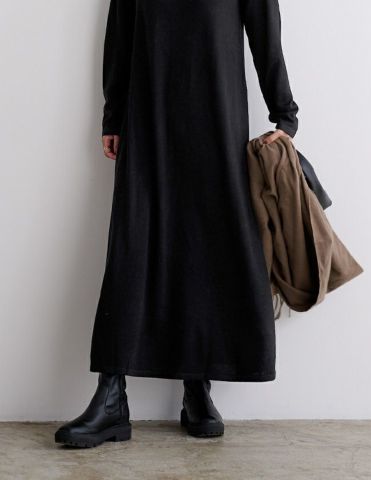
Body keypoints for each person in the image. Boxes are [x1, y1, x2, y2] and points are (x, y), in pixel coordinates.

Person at [55, 0, 299, 447]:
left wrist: (284, 113)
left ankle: (197, 386)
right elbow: (121, 32)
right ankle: (111, 396)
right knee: (132, 245)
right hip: (147, 114)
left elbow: (266, 28)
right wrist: (113, 113)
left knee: (207, 248)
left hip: (217, 116)